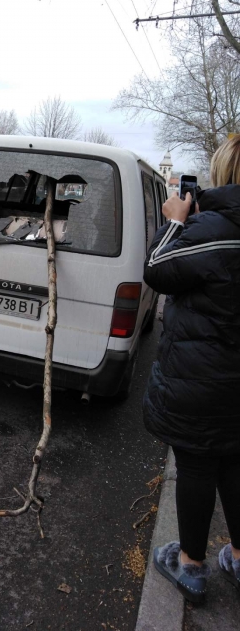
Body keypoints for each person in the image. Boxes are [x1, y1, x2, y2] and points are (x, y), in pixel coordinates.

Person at [143, 135, 240, 605]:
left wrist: (176, 224)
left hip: (203, 380)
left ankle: (191, 566)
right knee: (236, 462)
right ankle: (239, 557)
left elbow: (157, 268)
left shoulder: (213, 231)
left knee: (198, 464)